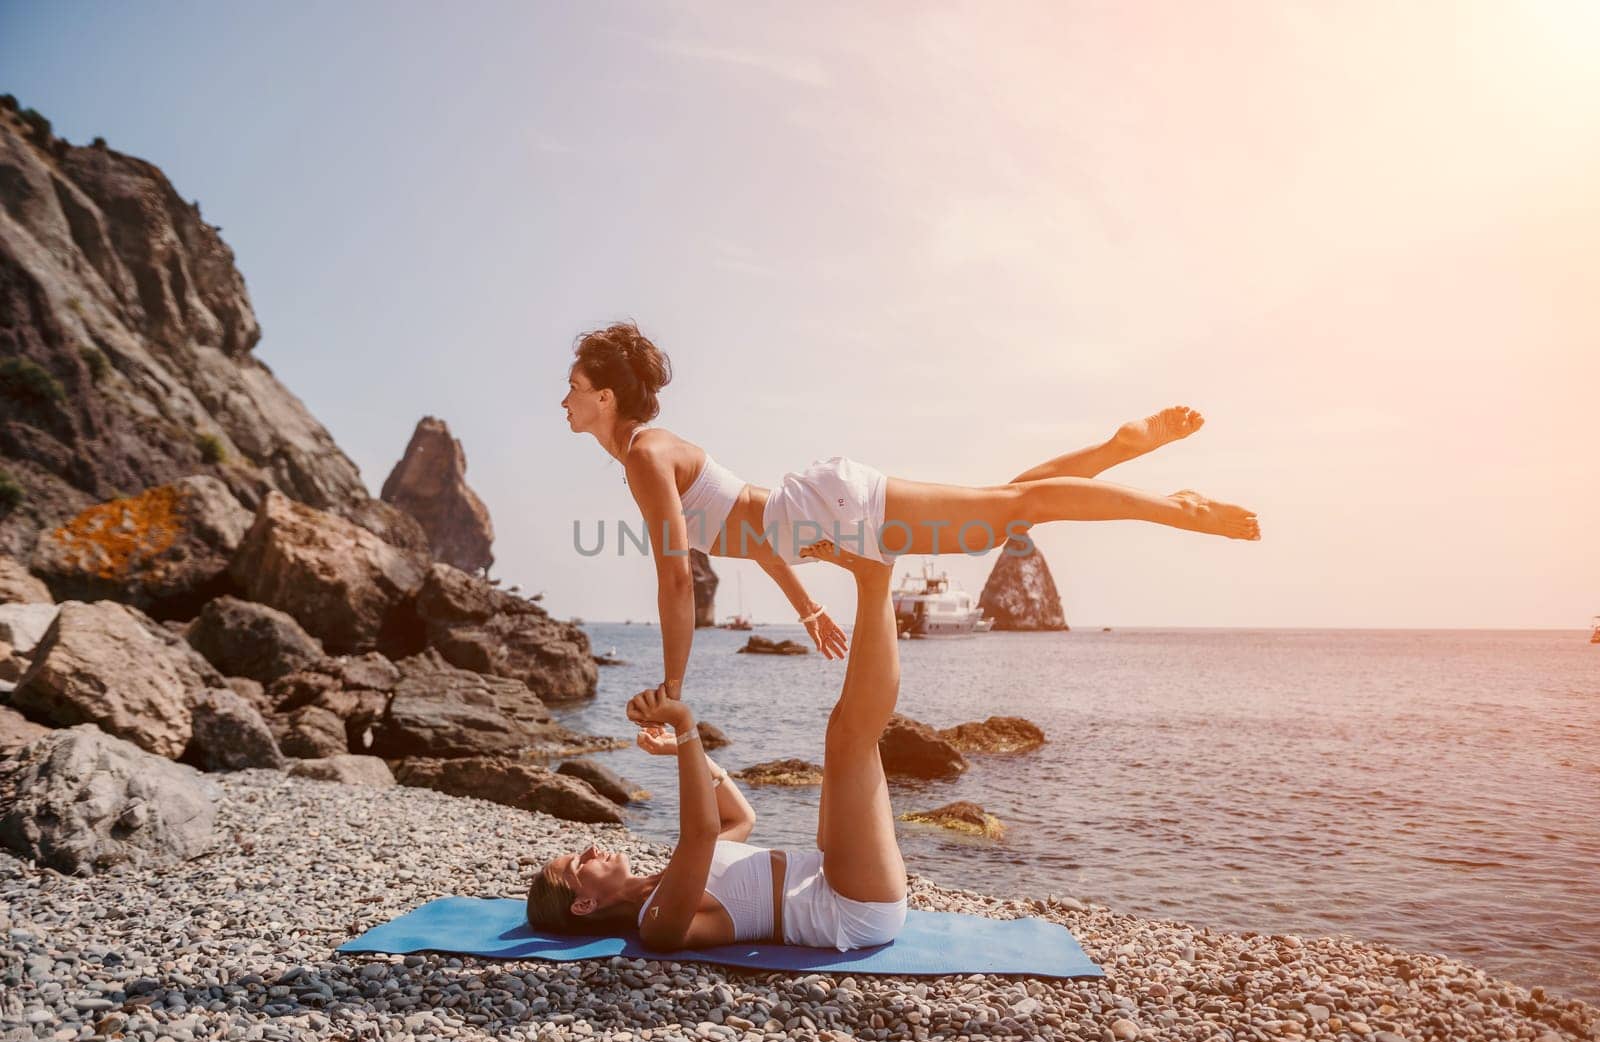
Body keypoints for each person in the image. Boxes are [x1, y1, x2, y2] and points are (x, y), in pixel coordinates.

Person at [563, 320, 1259, 702]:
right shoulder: (649, 453)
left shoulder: (646, 458)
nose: (563, 400)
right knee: (1004, 511)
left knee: (1010, 509)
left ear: (606, 398)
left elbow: (677, 578)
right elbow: (749, 535)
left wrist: (675, 686)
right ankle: (1114, 448)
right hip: (813, 515)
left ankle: (1177, 507)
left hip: (826, 512)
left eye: (574, 386)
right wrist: (807, 608)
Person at [525, 540, 911, 952]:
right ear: (584, 904)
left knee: (840, 730)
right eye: (578, 864)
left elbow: (738, 820)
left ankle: (874, 579)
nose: (589, 849)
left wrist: (682, 750)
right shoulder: (657, 922)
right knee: (852, 740)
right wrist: (685, 725)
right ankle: (876, 577)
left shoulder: (670, 876)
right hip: (852, 909)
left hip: (830, 873)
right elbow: (701, 832)